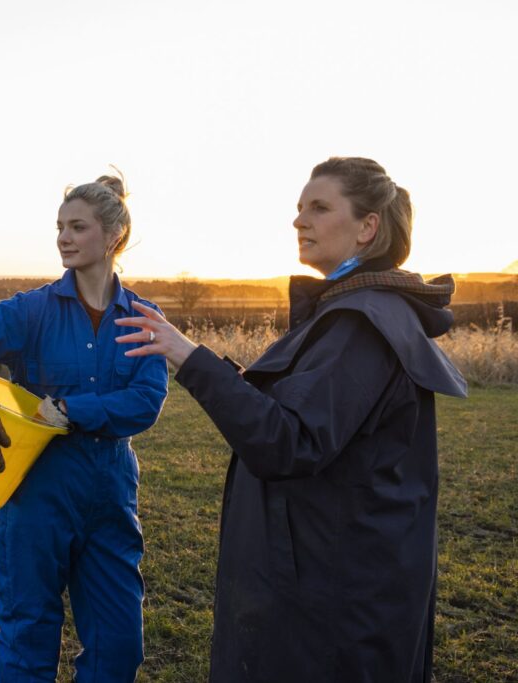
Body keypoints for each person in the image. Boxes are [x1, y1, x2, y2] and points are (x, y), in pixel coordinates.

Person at [116, 157, 467, 682]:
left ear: (368, 227)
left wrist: (190, 359)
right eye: (300, 208)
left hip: (331, 605)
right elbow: (297, 412)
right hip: (334, 580)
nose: (299, 221)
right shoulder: (355, 312)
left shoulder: (361, 324)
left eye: (319, 208)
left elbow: (287, 441)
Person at [0, 174, 169, 682]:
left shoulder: (143, 317)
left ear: (113, 235)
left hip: (111, 490)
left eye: (78, 227)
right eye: (60, 226)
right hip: (39, 490)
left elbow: (146, 401)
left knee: (118, 643)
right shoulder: (32, 312)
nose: (64, 237)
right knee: (28, 632)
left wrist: (72, 410)